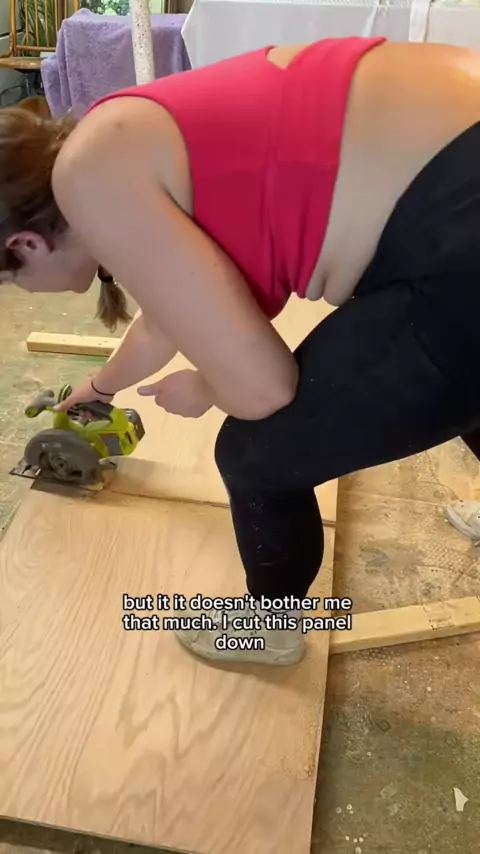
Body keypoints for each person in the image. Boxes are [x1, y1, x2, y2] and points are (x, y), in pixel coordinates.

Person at [2, 37, 480, 666]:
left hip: (462, 234)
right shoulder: (109, 141)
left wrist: (207, 385)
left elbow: (263, 390)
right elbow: (170, 313)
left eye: (10, 282)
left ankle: (270, 628)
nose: (21, 292)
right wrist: (100, 390)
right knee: (455, 372)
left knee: (256, 454)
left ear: (26, 245)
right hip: (456, 176)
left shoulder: (90, 182)